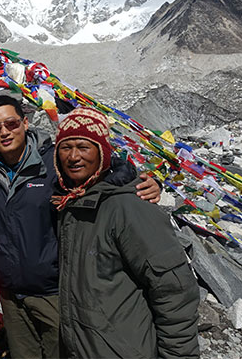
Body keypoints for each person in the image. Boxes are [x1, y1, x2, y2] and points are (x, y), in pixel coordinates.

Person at [0, 94, 162, 359]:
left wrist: (138, 182)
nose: (5, 132)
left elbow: (103, 167)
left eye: (11, 124)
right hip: (12, 295)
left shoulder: (54, 163)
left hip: (54, 292)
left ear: (25, 123)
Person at [53, 107, 200, 359]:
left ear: (102, 153)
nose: (74, 156)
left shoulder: (130, 206)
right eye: (66, 148)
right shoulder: (70, 202)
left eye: (84, 147)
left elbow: (175, 290)